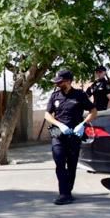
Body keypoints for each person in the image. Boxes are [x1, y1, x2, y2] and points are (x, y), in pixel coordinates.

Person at [44, 70, 97, 205]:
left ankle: (68, 191)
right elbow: (47, 115)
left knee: (71, 164)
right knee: (59, 162)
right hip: (57, 132)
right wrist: (58, 124)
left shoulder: (79, 95)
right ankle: (64, 193)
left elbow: (93, 111)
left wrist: (83, 124)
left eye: (60, 82)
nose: (57, 84)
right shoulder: (55, 95)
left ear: (68, 81)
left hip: (75, 133)